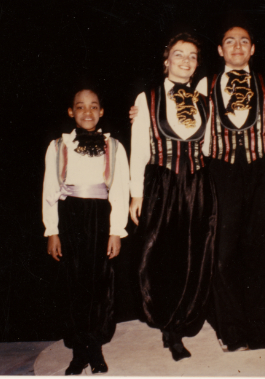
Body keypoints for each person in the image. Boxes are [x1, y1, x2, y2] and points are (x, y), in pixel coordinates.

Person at [129, 33, 216, 362]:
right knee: (159, 256)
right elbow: (139, 149)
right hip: (162, 183)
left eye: (192, 56)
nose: (185, 60)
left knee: (192, 254)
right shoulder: (146, 98)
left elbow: (207, 147)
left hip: (196, 183)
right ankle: (165, 321)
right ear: (166, 60)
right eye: (179, 54)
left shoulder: (204, 101)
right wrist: (136, 194)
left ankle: (180, 325)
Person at [203, 24, 265, 351]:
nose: (237, 46)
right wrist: (139, 114)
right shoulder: (202, 86)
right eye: (229, 41)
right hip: (219, 173)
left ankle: (257, 338)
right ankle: (232, 335)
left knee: (262, 259)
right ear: (220, 50)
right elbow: (176, 121)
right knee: (221, 259)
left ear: (252, 49)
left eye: (244, 41)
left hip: (260, 171)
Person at [43, 87, 129, 374]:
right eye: (80, 107)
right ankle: (79, 352)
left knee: (99, 283)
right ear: (71, 112)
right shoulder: (58, 146)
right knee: (73, 284)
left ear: (102, 111)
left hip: (100, 217)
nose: (88, 112)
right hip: (70, 218)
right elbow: (50, 191)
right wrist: (52, 230)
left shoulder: (114, 146)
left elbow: (119, 191)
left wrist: (116, 230)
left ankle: (96, 348)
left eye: (94, 106)